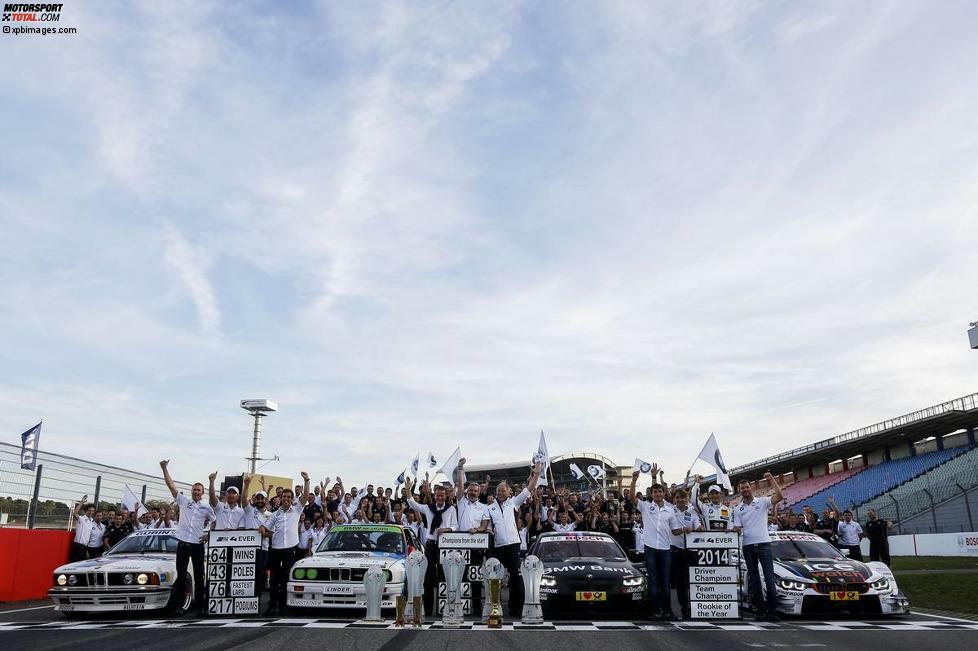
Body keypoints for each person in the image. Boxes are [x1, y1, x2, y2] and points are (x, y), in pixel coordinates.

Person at [487, 463, 543, 618]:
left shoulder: (514, 502)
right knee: (495, 578)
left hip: (513, 545)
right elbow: (487, 525)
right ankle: (495, 608)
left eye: (503, 490)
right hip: (497, 546)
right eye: (498, 491)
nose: (500, 493)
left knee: (516, 577)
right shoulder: (489, 508)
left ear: (509, 492)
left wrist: (536, 474)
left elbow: (529, 489)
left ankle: (515, 608)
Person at [629, 466, 685, 621]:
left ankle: (668, 611)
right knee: (654, 581)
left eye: (660, 491)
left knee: (666, 582)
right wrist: (634, 480)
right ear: (651, 494)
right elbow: (632, 498)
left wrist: (688, 529)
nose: (658, 494)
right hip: (651, 549)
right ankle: (656, 611)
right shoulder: (646, 506)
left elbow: (675, 531)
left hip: (666, 549)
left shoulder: (670, 510)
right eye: (655, 492)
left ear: (663, 493)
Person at [161, 459, 215, 617]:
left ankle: (200, 607)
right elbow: (171, 486)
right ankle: (179, 606)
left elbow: (215, 521)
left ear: (202, 492)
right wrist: (164, 468)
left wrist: (208, 535)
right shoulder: (183, 501)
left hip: (198, 545)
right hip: (183, 544)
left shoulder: (206, 507)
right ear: (191, 491)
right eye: (194, 490)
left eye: (199, 490)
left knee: (199, 576)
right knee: (181, 575)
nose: (196, 492)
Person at [404, 475, 458, 616]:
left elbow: (455, 526)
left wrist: (446, 529)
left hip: (445, 545)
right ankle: (427, 609)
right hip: (431, 544)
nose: (439, 498)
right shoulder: (428, 508)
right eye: (437, 496)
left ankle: (443, 609)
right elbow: (412, 503)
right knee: (428, 576)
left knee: (443, 575)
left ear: (445, 497)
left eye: (442, 496)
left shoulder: (451, 509)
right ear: (434, 497)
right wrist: (409, 490)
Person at [733, 473, 783, 622]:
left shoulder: (762, 502)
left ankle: (772, 611)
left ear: (751, 488)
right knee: (754, 580)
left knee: (769, 578)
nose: (745, 489)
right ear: (739, 490)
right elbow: (737, 527)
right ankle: (760, 611)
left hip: (764, 544)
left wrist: (771, 480)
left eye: (747, 487)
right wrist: (730, 531)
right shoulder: (737, 509)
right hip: (747, 546)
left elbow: (779, 496)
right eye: (742, 488)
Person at [261, 472, 311, 616]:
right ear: (280, 498)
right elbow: (266, 528)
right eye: (284, 497)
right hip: (275, 549)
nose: (286, 499)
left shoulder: (296, 510)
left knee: (286, 579)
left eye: (289, 497)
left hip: (290, 549)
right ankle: (272, 606)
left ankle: (284, 606)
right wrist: (262, 529)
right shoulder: (275, 514)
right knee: (274, 579)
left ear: (292, 499)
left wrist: (306, 480)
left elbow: (306, 496)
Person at [669, 488, 701, 620]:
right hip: (676, 550)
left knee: (693, 581)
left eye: (683, 497)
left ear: (687, 498)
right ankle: (684, 609)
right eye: (678, 497)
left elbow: (699, 528)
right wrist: (683, 529)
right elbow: (673, 531)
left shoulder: (692, 511)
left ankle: (695, 608)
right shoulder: (670, 510)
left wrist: (693, 529)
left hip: (691, 551)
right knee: (680, 583)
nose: (681, 499)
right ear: (675, 499)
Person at [70, 496, 96, 562]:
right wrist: (81, 502)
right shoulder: (81, 519)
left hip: (86, 547)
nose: (91, 512)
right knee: (74, 564)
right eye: (89, 510)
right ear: (85, 511)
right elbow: (75, 513)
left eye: (92, 511)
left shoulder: (92, 521)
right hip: (78, 546)